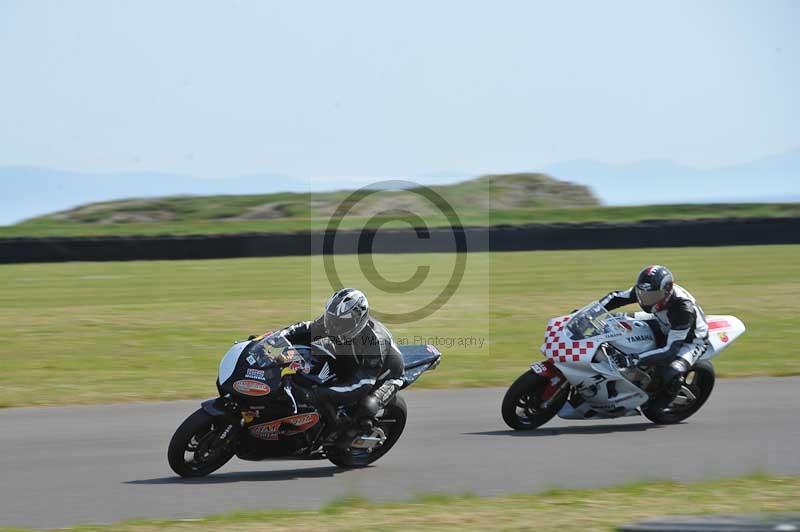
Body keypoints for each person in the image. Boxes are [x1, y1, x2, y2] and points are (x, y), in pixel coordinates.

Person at [278, 288, 405, 445]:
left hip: (383, 376)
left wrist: (317, 394)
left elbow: (362, 384)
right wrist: (275, 337)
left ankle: (346, 437)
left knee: (367, 407)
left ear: (356, 321)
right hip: (350, 359)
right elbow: (305, 330)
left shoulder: (374, 342)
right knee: (311, 360)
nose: (331, 326)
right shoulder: (335, 321)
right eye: (330, 319)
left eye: (338, 323)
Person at [599, 265, 709, 409]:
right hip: (663, 322)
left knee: (671, 370)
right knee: (615, 320)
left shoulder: (683, 309)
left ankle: (664, 399)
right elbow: (616, 297)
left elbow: (670, 350)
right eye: (643, 295)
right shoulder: (648, 290)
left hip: (691, 340)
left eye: (652, 297)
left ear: (667, 292)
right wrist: (586, 313)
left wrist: (632, 359)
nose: (646, 300)